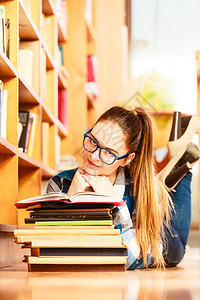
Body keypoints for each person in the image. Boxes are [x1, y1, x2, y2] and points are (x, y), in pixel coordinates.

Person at [46, 106, 200, 269]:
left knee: (177, 251)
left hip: (165, 242)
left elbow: (131, 259)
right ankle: (166, 180)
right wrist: (71, 201)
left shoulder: (140, 190)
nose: (93, 155)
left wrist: (114, 204)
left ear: (127, 159)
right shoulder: (60, 183)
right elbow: (50, 250)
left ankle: (182, 169)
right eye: (92, 141)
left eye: (108, 153)